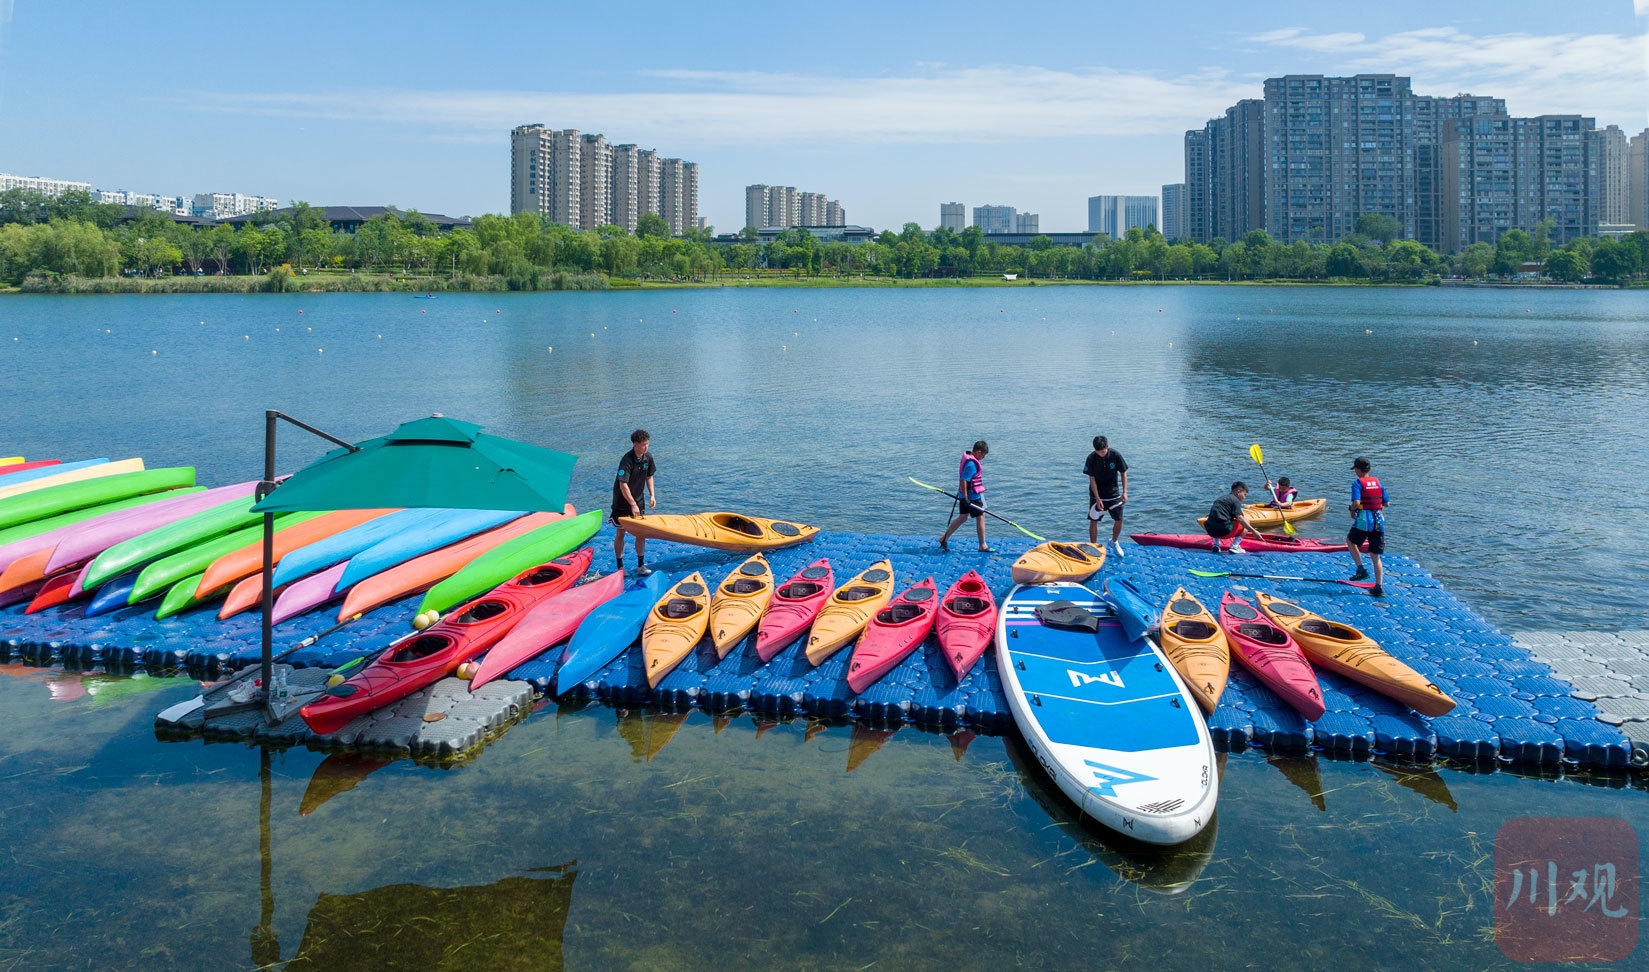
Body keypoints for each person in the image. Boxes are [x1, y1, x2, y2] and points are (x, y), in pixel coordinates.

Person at [612, 429, 657, 576]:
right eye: (643, 445)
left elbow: (649, 476)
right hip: (622, 502)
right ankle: (620, 567)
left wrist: (652, 495)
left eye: (647, 444)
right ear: (635, 444)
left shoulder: (647, 458)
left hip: (639, 499)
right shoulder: (627, 460)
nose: (645, 447)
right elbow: (623, 485)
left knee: (641, 532)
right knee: (621, 532)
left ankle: (641, 565)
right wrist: (632, 504)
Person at [940, 441, 992, 553]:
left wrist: (963, 496)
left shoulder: (970, 461)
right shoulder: (971, 465)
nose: (983, 458)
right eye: (983, 455)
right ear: (978, 452)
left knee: (963, 517)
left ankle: (945, 538)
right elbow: (964, 479)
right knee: (981, 517)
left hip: (966, 495)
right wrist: (965, 498)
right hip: (972, 497)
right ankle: (982, 545)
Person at [1347, 456, 1388, 597]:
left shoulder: (1357, 483)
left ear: (1358, 469)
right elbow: (1386, 503)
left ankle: (1361, 569)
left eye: (1355, 469)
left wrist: (1352, 510)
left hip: (1364, 520)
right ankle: (1378, 587)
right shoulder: (1378, 482)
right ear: (1369, 469)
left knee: (1350, 541)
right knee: (1375, 555)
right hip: (1378, 521)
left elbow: (1356, 502)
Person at [1084, 436, 1129, 558]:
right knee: (1094, 521)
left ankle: (1114, 541)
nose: (1101, 454)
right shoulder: (1091, 458)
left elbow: (1123, 473)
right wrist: (1097, 499)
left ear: (1107, 447)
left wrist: (1125, 492)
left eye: (1103, 452)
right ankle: (1093, 546)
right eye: (1098, 452)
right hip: (1097, 494)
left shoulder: (1115, 455)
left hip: (1113, 493)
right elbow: (1092, 479)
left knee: (1119, 519)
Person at [1203, 481, 1265, 554]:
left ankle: (1216, 544)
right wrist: (1254, 531)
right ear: (1238, 492)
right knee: (1246, 521)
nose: (1244, 497)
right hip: (1224, 532)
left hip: (1211, 531)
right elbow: (1240, 518)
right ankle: (1235, 546)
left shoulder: (1220, 499)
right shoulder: (1235, 501)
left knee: (1216, 519)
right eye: (1244, 494)